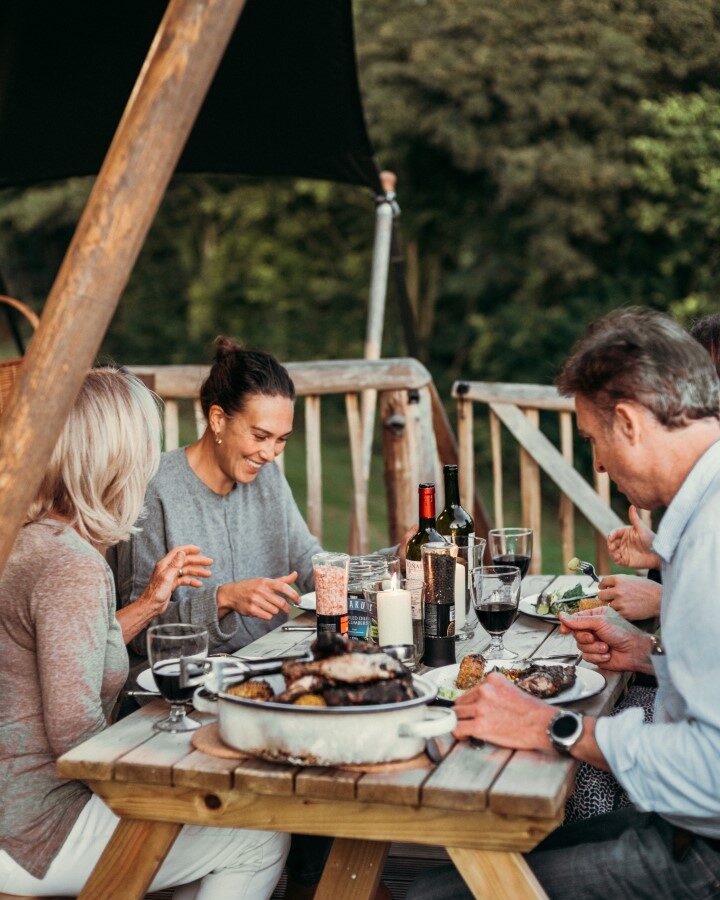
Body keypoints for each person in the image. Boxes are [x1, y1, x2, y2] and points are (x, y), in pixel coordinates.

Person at [407, 308, 720, 899]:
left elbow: (713, 772)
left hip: (702, 856)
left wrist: (553, 725)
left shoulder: (712, 537)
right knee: (440, 876)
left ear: (627, 422)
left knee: (433, 895)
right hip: (683, 826)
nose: (598, 464)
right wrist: (648, 653)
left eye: (593, 441)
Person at [0, 368, 288, 898]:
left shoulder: (32, 539)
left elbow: (72, 646)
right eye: (143, 450)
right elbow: (74, 735)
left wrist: (151, 604)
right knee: (257, 835)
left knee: (206, 831)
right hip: (35, 829)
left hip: (18, 810)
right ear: (116, 459)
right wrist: (182, 760)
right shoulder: (72, 565)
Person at [110, 338, 321, 660]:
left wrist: (393, 559)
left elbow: (310, 560)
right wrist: (222, 599)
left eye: (281, 440)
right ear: (218, 419)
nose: (269, 454)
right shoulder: (153, 490)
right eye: (260, 436)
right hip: (184, 685)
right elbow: (138, 635)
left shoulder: (269, 478)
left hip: (270, 663)